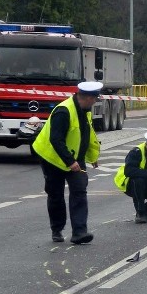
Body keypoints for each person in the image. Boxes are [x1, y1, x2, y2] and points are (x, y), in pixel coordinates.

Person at [32, 81, 102, 244]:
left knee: (79, 190)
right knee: (55, 194)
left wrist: (92, 157)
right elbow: (55, 139)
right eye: (94, 99)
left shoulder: (85, 110)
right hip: (52, 158)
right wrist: (70, 162)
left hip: (74, 157)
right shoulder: (63, 111)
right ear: (86, 97)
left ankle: (79, 232)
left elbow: (87, 135)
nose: (95, 102)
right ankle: (57, 229)